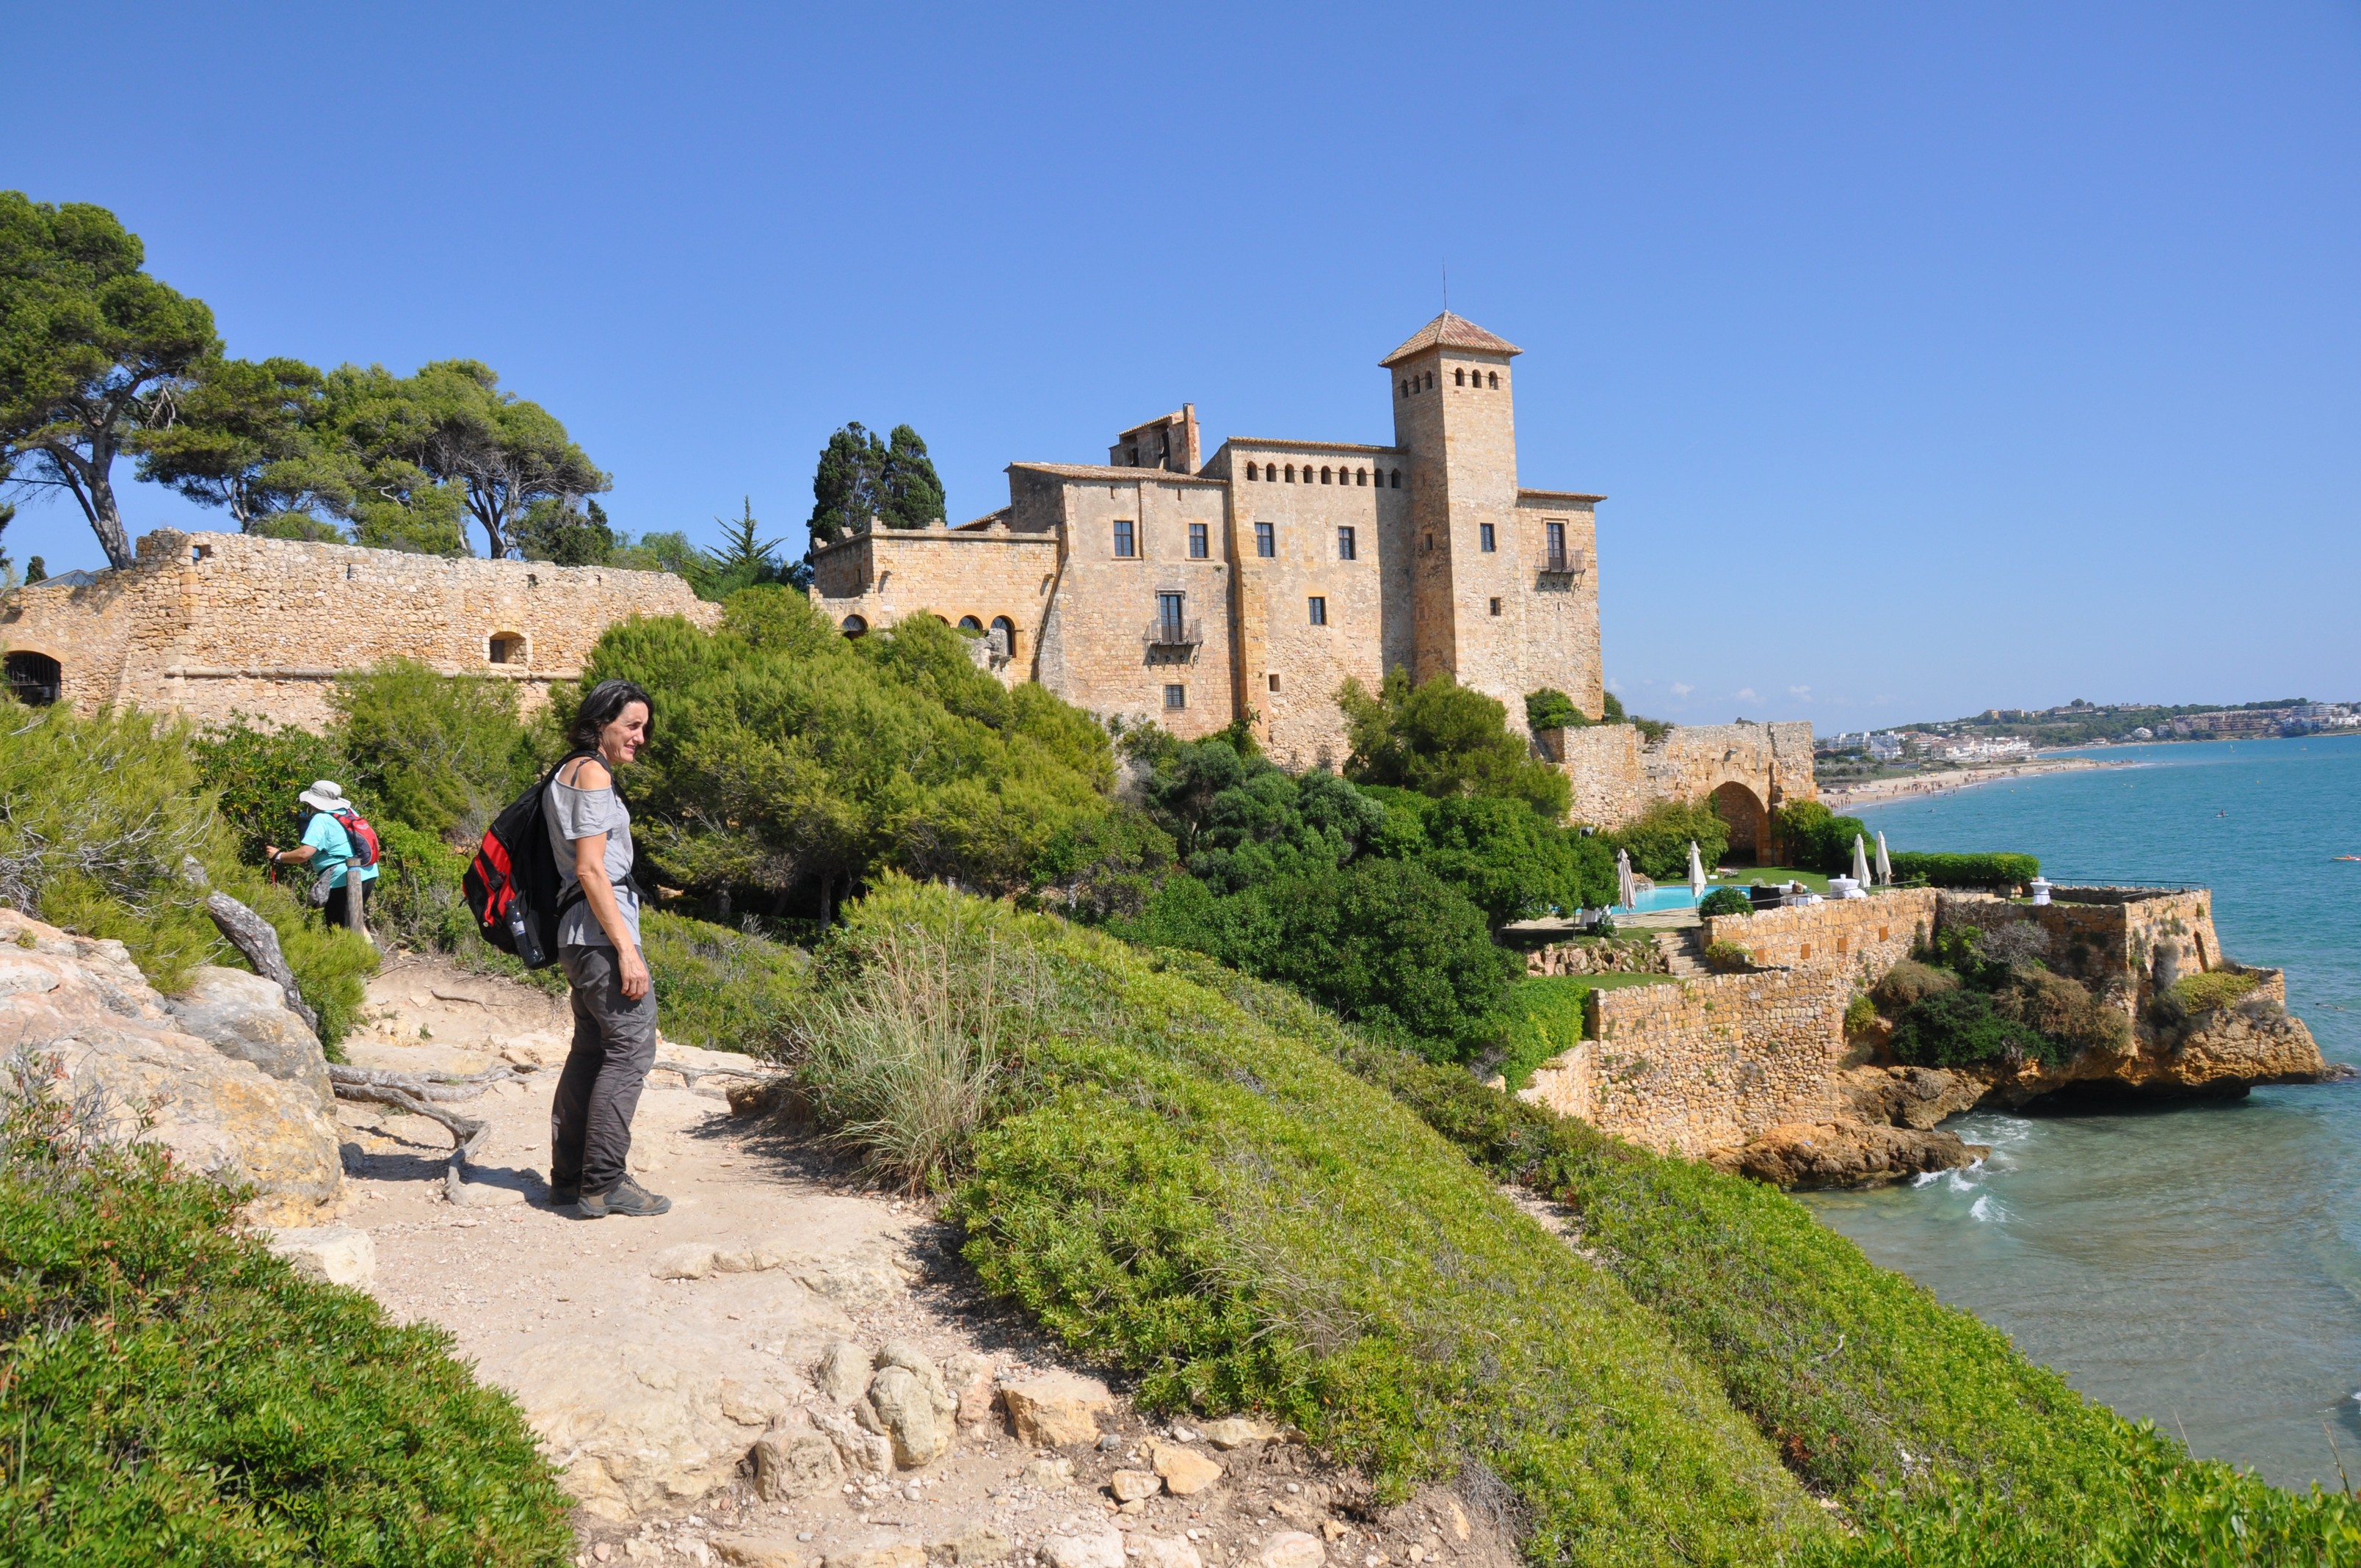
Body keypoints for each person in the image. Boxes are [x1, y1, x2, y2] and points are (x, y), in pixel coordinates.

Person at [546, 678, 670, 1219]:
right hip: (601, 935)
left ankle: (570, 1179)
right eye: (632, 726)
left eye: (645, 727)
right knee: (630, 1052)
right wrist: (627, 949)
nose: (641, 737)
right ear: (601, 724)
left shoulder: (564, 771)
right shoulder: (594, 774)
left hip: (576, 934)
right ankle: (603, 1184)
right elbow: (591, 868)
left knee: (592, 1051)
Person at [264, 780, 378, 938]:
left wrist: (279, 856)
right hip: (368, 872)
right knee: (354, 920)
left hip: (342, 879)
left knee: (340, 929)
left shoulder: (321, 819)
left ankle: (360, 954)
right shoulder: (350, 812)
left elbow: (304, 854)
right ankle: (371, 951)